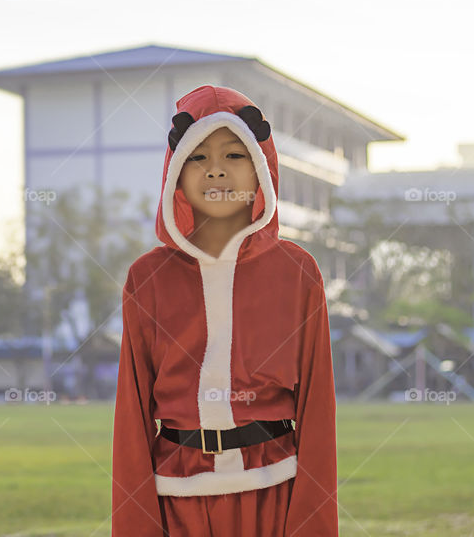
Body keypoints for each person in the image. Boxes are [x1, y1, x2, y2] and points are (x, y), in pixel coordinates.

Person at [111, 85, 338, 536]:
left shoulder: (297, 271)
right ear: (175, 174)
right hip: (177, 497)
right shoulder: (148, 277)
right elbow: (131, 414)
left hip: (275, 489)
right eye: (198, 157)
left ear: (261, 170)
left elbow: (318, 407)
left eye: (234, 156)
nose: (215, 171)